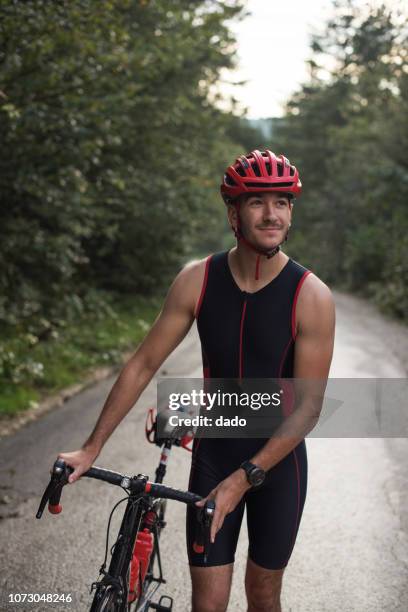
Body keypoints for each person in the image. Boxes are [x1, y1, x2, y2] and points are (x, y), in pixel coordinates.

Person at [58, 149, 335, 612]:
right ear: (233, 211)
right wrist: (91, 447)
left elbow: (308, 408)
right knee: (208, 605)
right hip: (214, 453)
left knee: (263, 595)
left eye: (282, 202)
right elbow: (143, 364)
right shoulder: (197, 280)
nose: (271, 214)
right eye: (256, 202)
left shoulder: (311, 296)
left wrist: (243, 479)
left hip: (278, 465)